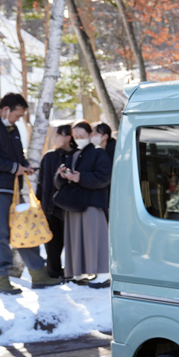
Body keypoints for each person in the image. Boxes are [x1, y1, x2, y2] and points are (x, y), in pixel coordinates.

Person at [0, 92, 62, 294]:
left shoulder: (10, 128)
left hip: (11, 188)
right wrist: (14, 168)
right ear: (5, 110)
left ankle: (39, 276)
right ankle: (1, 282)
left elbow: (16, 155)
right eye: (18, 115)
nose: (19, 119)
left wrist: (24, 165)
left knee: (25, 229)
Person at [58, 121, 112, 288]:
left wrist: (79, 177)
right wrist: (62, 176)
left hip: (92, 202)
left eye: (82, 136)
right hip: (76, 202)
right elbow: (58, 182)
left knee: (95, 238)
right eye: (76, 136)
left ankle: (102, 274)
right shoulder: (74, 154)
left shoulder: (98, 153)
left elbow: (104, 178)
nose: (79, 139)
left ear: (90, 135)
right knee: (76, 238)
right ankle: (79, 272)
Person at [35, 124, 76, 278]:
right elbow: (41, 183)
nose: (54, 139)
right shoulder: (49, 156)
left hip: (70, 208)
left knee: (72, 243)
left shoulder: (76, 155)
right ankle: (53, 273)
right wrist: (40, 203)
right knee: (52, 245)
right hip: (50, 208)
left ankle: (72, 272)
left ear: (67, 138)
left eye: (57, 135)